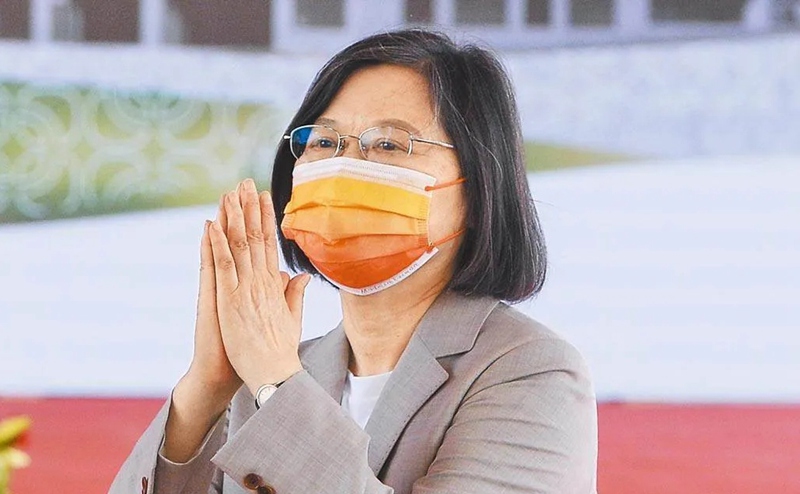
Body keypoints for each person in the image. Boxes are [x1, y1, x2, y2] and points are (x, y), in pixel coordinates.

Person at [109, 29, 597, 494]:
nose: (342, 167)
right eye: (323, 142)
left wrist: (276, 383)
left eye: (389, 144)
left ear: (478, 185)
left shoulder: (532, 372)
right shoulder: (272, 376)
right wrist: (205, 390)